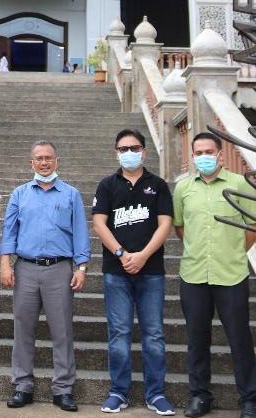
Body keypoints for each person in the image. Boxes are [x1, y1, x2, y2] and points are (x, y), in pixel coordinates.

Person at [173, 132, 256, 418]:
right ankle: (200, 396)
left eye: (208, 152)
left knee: (240, 339)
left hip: (231, 274)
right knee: (197, 339)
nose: (204, 157)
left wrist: (232, 251)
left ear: (220, 154)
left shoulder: (239, 184)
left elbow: (253, 229)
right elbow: (180, 228)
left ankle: (249, 400)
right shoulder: (183, 188)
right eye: (198, 152)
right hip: (194, 274)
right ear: (192, 155)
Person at [0, 140, 91, 413]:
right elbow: (9, 232)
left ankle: (63, 389)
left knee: (62, 330)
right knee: (23, 328)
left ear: (56, 161)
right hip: (25, 268)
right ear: (31, 163)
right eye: (38, 158)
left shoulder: (71, 194)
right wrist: (5, 264)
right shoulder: (20, 194)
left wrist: (82, 267)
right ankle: (22, 385)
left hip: (60, 270)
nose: (43, 162)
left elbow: (81, 233)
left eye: (48, 158)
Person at [91, 128, 174, 415]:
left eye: (134, 147)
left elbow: (165, 224)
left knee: (153, 333)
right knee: (119, 333)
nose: (129, 153)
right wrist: (122, 254)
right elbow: (100, 224)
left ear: (144, 151)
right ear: (117, 152)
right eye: (123, 148)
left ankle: (156, 394)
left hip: (151, 271)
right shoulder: (107, 185)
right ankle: (119, 392)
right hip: (116, 270)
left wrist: (142, 256)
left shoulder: (159, 185)